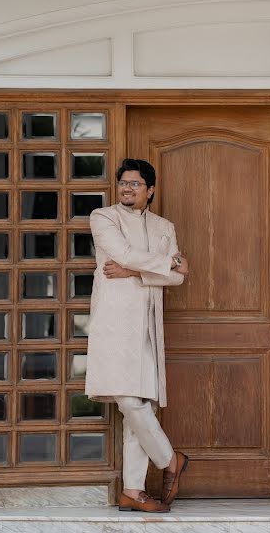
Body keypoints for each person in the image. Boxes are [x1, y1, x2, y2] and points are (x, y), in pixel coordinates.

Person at [85, 158, 191, 513]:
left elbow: (178, 276)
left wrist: (132, 271)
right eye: (123, 183)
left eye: (135, 184)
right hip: (115, 322)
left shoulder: (164, 226)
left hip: (147, 323)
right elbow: (123, 253)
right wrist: (164, 263)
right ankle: (170, 459)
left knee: (140, 406)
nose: (127, 188)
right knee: (128, 401)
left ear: (150, 190)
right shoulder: (103, 217)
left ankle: (133, 490)